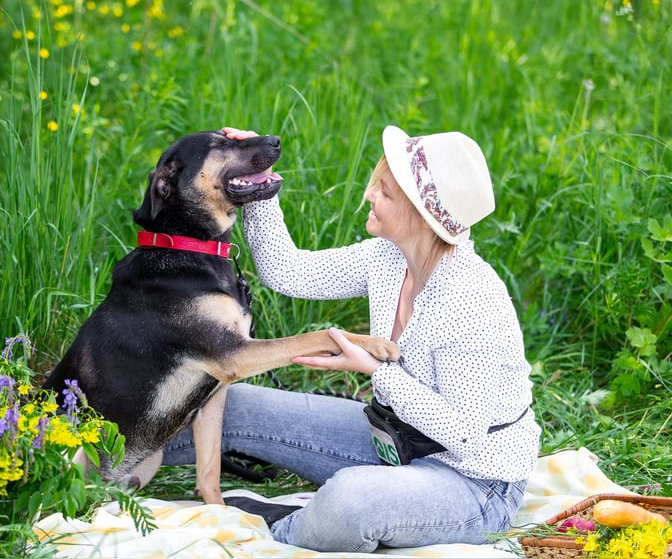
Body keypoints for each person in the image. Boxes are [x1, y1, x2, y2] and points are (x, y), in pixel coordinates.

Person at [162, 125, 541, 553]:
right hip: (393, 438)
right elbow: (288, 271)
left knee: (349, 500)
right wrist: (258, 180)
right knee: (233, 404)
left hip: (473, 483)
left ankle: (271, 530)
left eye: (385, 192)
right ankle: (111, 459)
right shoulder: (388, 258)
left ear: (422, 215)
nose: (369, 195)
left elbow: (465, 436)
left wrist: (376, 370)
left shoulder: (469, 300)